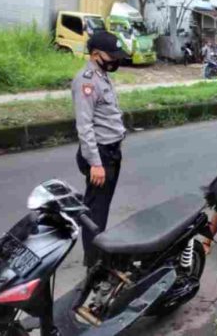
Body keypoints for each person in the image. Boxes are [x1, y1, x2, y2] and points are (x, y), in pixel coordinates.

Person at [72, 31, 128, 267]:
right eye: (111, 55)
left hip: (111, 152)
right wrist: (95, 163)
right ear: (95, 55)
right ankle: (93, 263)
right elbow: (84, 127)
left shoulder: (101, 75)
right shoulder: (86, 80)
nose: (115, 60)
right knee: (95, 211)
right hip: (100, 155)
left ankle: (97, 256)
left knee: (101, 208)